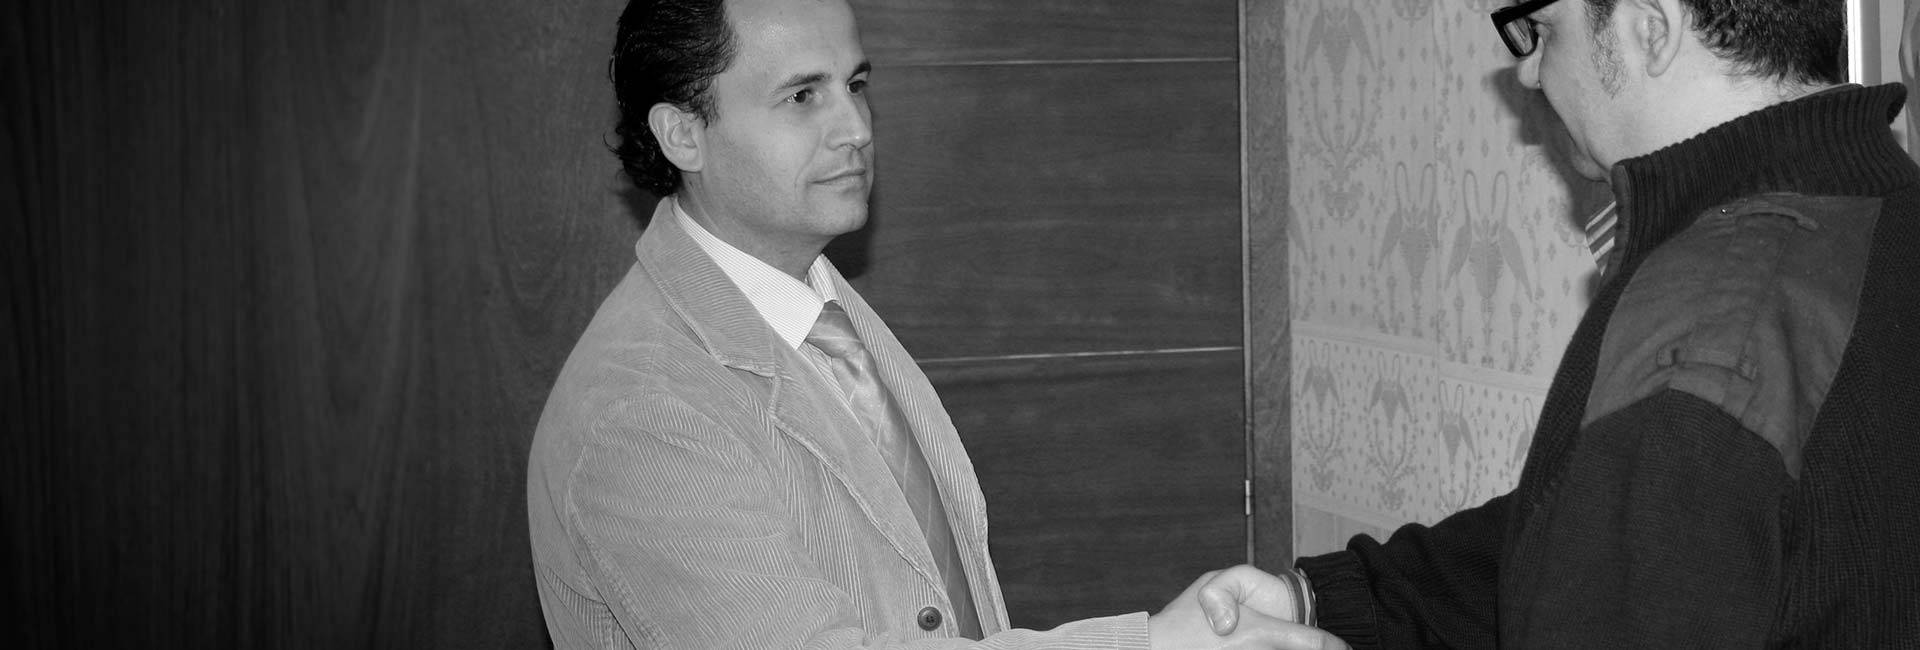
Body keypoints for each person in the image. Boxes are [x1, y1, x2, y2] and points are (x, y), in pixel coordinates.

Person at [525, 0, 1313, 647]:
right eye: (803, 96)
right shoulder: (641, 410)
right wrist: (1152, 644)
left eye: (855, 84)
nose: (856, 128)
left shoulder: (818, 301)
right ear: (683, 134)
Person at [1216, 0, 1920, 647]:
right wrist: (1319, 602)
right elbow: (1590, 533)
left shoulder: (1701, 336)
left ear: (1651, 27)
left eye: (1543, 29)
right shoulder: (1881, 215)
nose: (1527, 71)